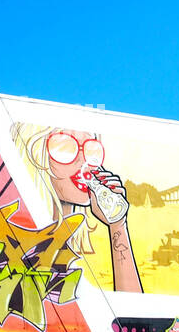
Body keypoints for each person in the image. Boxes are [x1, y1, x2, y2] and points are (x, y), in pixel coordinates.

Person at [11, 124, 142, 293]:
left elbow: (131, 315)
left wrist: (117, 223)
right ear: (36, 155)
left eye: (92, 149)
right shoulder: (16, 243)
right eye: (65, 147)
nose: (84, 161)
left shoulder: (76, 252)